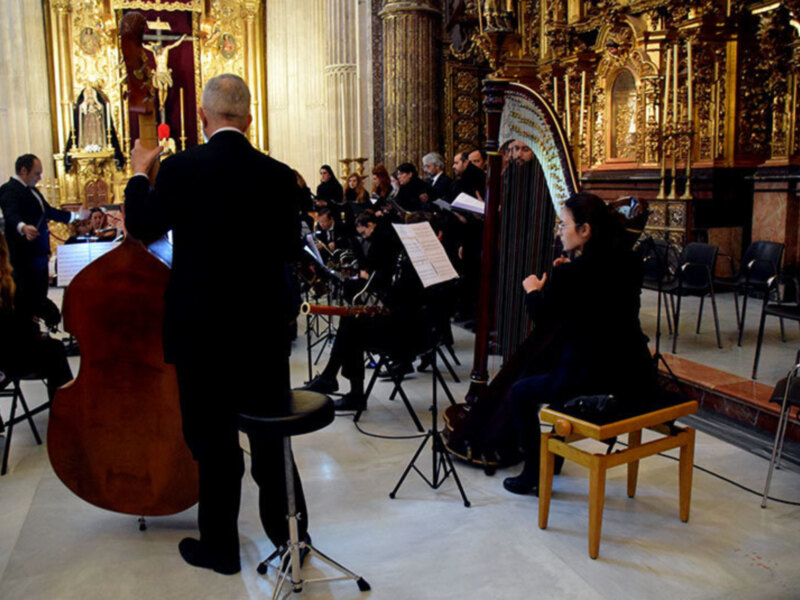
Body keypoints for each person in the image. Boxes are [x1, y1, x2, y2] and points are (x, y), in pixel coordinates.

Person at [124, 73, 309, 575]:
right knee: (271, 442)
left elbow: (143, 226)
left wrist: (142, 174)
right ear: (249, 118)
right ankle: (294, 538)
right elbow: (291, 250)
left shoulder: (182, 168)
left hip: (200, 333)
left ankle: (221, 549)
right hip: (263, 334)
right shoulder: (277, 174)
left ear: (203, 117)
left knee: (213, 444)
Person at [502, 193, 657, 495]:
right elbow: (598, 302)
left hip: (593, 377)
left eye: (564, 225)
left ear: (585, 230)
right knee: (553, 365)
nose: (560, 231)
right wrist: (567, 274)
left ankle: (532, 474)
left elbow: (544, 320)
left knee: (520, 392)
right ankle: (555, 455)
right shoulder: (630, 261)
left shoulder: (568, 273)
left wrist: (533, 291)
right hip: (634, 370)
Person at [0, 154, 85, 321]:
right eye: (36, 174)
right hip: (24, 256)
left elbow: (49, 211)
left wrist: (76, 216)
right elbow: (11, 215)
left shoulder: (33, 191)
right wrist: (22, 227)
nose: (39, 178)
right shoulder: (9, 189)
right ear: (23, 170)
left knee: (39, 295)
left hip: (38, 256)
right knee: (26, 298)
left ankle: (36, 328)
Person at [0, 231, 72, 402]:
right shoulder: (15, 282)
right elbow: (50, 311)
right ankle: (64, 410)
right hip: (16, 360)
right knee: (55, 349)